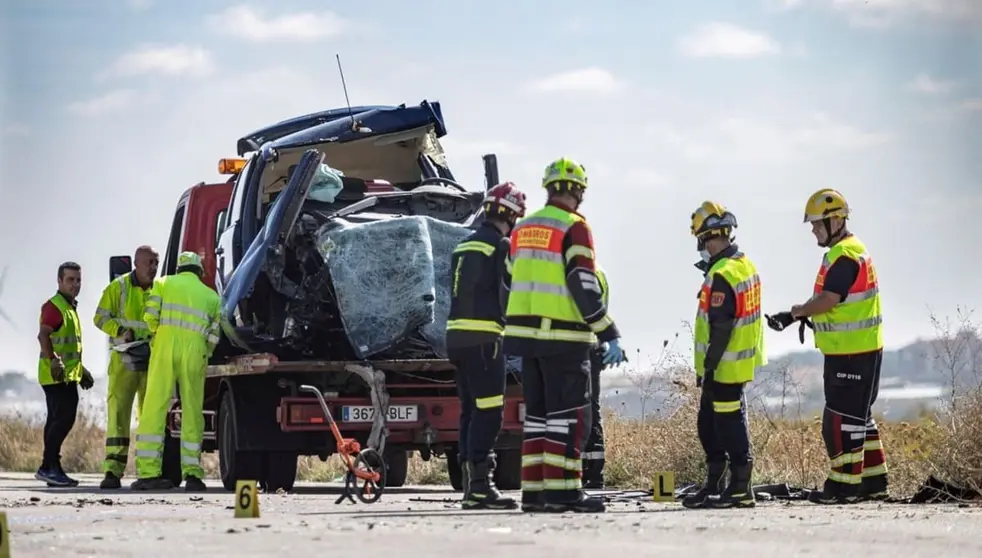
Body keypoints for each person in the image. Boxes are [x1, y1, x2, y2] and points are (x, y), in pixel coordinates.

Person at [503, 157, 627, 513]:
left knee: (538, 419)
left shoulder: (522, 228)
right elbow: (582, 282)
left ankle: (535, 493)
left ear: (549, 188)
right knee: (568, 416)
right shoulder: (574, 227)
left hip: (526, 342)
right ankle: (564, 492)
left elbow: (508, 279)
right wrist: (608, 331)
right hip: (563, 339)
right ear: (579, 192)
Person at [766, 189, 887, 505]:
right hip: (861, 350)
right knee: (860, 417)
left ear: (836, 221)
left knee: (839, 421)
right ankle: (873, 483)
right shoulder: (851, 250)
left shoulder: (844, 256)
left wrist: (796, 312)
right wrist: (793, 316)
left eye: (817, 224)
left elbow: (829, 300)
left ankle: (843, 488)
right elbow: (831, 302)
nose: (814, 230)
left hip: (851, 353)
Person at [446, 181, 528, 510]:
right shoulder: (501, 246)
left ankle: (472, 487)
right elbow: (509, 294)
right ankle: (480, 487)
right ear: (511, 215)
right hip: (484, 341)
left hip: (456, 340)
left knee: (470, 412)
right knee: (489, 413)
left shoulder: (463, 245)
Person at [681, 202, 765, 510]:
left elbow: (721, 325)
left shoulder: (723, 274)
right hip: (734, 363)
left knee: (728, 426)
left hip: (724, 366)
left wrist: (709, 366)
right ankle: (714, 486)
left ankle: (740, 488)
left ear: (706, 239)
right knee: (709, 424)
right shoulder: (744, 266)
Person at [131, 252, 222, 492]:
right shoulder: (212, 297)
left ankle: (148, 473)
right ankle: (192, 474)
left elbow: (150, 317)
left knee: (154, 408)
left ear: (179, 268)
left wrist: (158, 336)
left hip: (164, 347)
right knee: (192, 411)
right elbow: (214, 337)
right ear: (199, 271)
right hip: (195, 351)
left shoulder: (162, 283)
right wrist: (204, 352)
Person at [93, 246, 159, 489]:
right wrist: (120, 331)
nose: (154, 268)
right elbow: (99, 318)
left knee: (149, 417)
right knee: (118, 415)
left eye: (156, 263)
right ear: (136, 264)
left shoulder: (160, 289)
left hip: (150, 361)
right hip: (123, 361)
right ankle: (113, 471)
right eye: (149, 262)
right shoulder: (118, 288)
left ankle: (148, 471)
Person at [36, 261, 94, 487]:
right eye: (70, 280)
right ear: (59, 281)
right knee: (63, 419)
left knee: (57, 420)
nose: (75, 284)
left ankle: (51, 467)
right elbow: (43, 335)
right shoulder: (55, 306)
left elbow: (70, 347)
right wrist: (53, 360)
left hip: (67, 375)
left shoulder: (69, 308)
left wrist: (82, 370)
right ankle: (48, 467)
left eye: (78, 280)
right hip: (55, 376)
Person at [582, 264, 611, 489]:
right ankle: (589, 472)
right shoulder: (597, 272)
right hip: (591, 347)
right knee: (589, 410)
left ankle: (592, 473)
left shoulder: (587, 273)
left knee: (587, 411)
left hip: (585, 349)